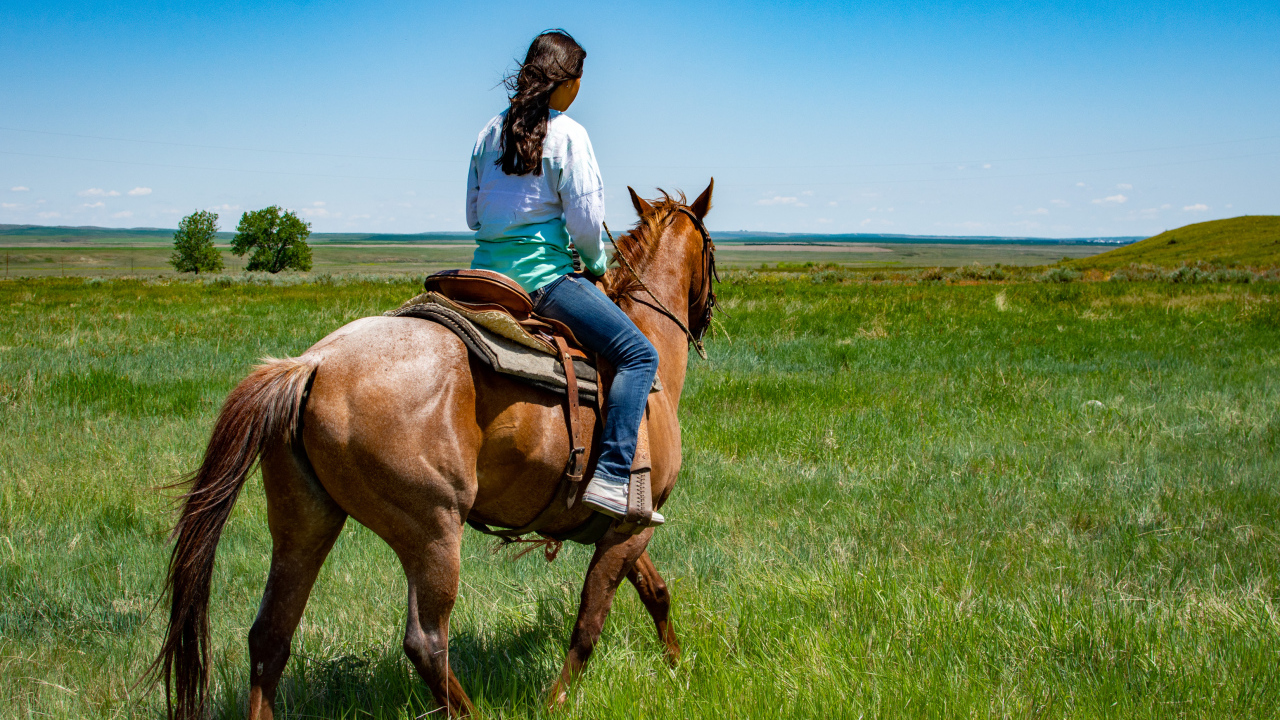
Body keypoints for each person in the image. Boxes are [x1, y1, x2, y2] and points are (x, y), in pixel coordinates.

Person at [466, 30, 664, 525]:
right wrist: (597, 264)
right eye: (580, 82)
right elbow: (584, 223)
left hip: (481, 279)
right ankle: (615, 478)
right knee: (640, 354)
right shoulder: (570, 134)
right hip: (541, 283)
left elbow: (473, 217)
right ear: (569, 84)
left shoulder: (486, 132)